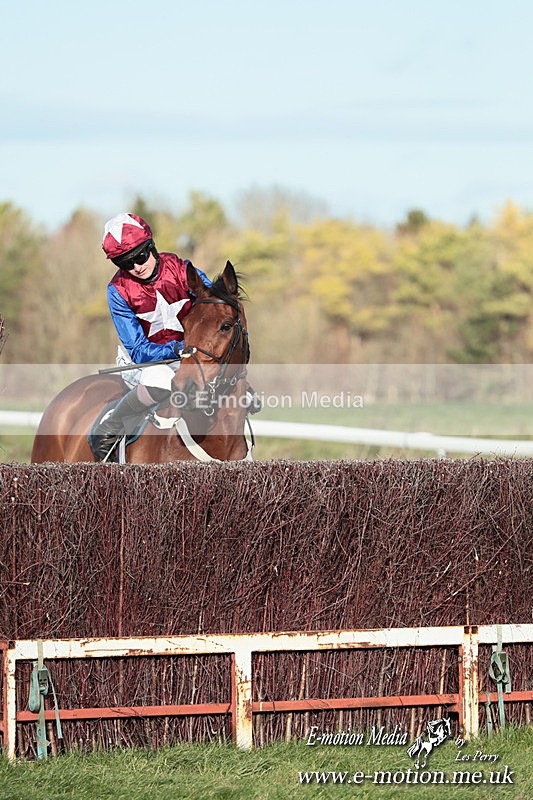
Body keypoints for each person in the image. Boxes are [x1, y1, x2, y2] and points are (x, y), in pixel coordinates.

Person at [88, 212, 211, 462]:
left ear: (151, 247)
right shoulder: (117, 291)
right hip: (150, 361)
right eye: (125, 263)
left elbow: (214, 308)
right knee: (161, 381)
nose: (136, 266)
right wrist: (179, 347)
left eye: (141, 256)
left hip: (194, 354)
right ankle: (113, 424)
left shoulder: (181, 269)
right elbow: (138, 349)